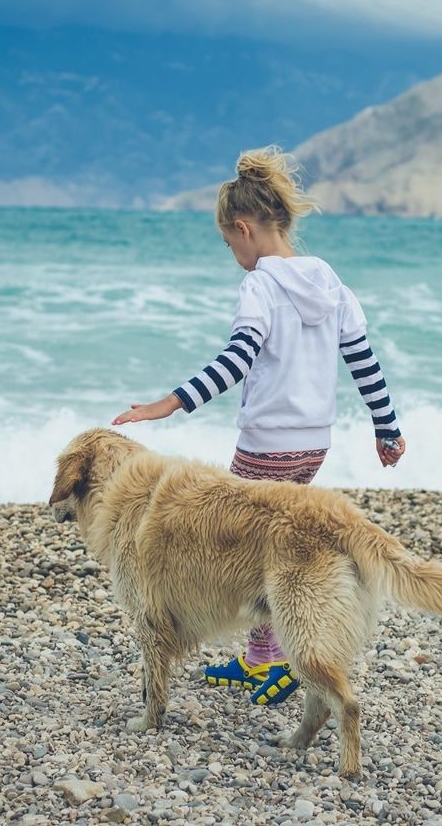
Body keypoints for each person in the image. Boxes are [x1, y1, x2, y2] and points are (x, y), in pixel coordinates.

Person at [112, 145, 406, 706]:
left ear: (244, 229)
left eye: (229, 245)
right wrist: (386, 429)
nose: (235, 257)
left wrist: (168, 404)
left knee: (252, 553)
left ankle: (283, 659)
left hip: (265, 447)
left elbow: (235, 359)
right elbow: (364, 361)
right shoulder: (329, 282)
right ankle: (263, 658)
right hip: (312, 444)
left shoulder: (262, 287)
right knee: (278, 546)